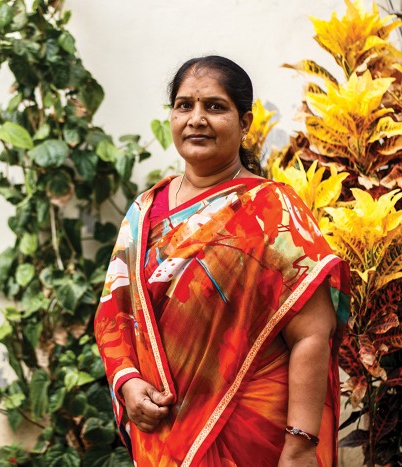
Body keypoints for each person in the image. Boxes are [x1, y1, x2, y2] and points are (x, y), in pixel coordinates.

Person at [94, 55, 350, 466]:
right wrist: (126, 382)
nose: (196, 118)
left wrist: (300, 446)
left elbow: (312, 334)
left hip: (252, 434)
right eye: (184, 105)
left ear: (245, 122)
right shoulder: (144, 212)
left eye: (215, 106)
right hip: (162, 433)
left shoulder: (273, 210)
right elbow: (115, 314)